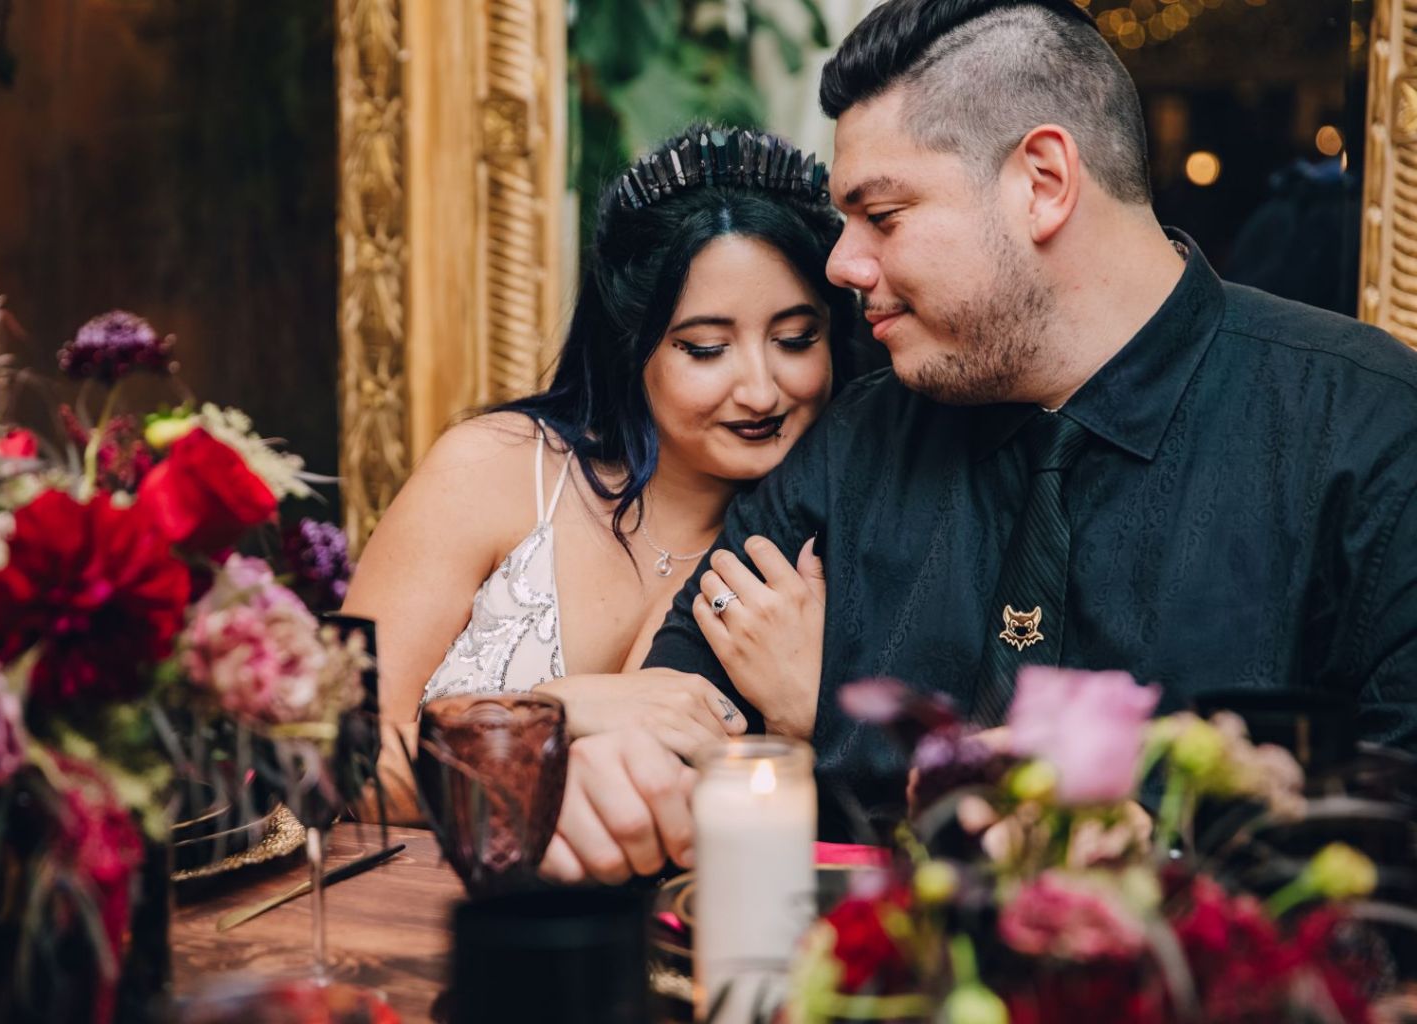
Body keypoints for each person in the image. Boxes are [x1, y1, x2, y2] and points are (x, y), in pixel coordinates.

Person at [541, 0, 1417, 883]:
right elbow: (682, 713)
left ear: (1042, 182)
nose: (842, 264)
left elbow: (1391, 847)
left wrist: (841, 726)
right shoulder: (853, 442)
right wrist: (620, 781)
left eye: (883, 215)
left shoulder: (1367, 432)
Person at [341, 125, 862, 818]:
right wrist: (549, 714)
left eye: (796, 340)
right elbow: (334, 762)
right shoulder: (492, 470)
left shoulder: (840, 540)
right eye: (706, 349)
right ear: (630, 344)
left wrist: (802, 720)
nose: (761, 390)